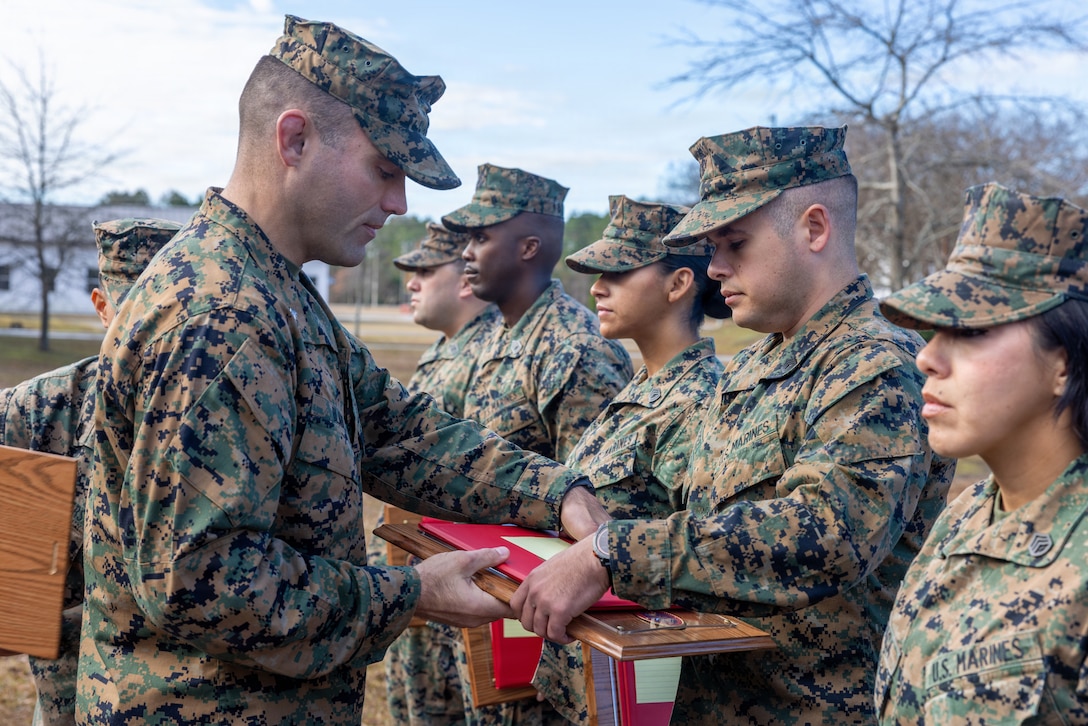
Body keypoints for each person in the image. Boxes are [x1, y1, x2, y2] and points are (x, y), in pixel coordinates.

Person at [78, 16, 607, 725]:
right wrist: (408, 593)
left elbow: (396, 430)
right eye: (385, 170)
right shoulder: (218, 311)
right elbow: (199, 581)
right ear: (293, 139)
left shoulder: (274, 289)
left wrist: (554, 490)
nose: (399, 204)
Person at [511, 126, 955, 724]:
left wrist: (611, 553)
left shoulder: (875, 366)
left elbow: (824, 535)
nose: (714, 267)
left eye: (735, 243)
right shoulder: (750, 368)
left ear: (815, 228)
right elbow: (694, 524)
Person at [874, 182, 1088, 723]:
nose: (927, 358)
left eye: (968, 330)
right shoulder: (966, 517)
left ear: (1063, 362)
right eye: (933, 331)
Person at [441, 164, 633, 723]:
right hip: (493, 607)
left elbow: (597, 509)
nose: (466, 252)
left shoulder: (572, 348)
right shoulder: (498, 336)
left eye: (480, 237)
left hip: (543, 631)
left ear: (528, 246)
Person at [532, 195, 729, 724]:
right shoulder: (642, 391)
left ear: (678, 283)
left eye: (617, 272)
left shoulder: (701, 401)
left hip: (637, 687)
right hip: (585, 675)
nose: (597, 287)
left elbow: (695, 554)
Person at [0, 217, 180, 726]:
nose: (157, 335)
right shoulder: (38, 411)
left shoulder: (228, 410)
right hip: (72, 703)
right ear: (103, 308)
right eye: (139, 313)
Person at [376, 221, 500, 725]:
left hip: (472, 596)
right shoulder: (440, 352)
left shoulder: (491, 354)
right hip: (425, 582)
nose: (411, 281)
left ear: (466, 278)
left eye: (425, 270)